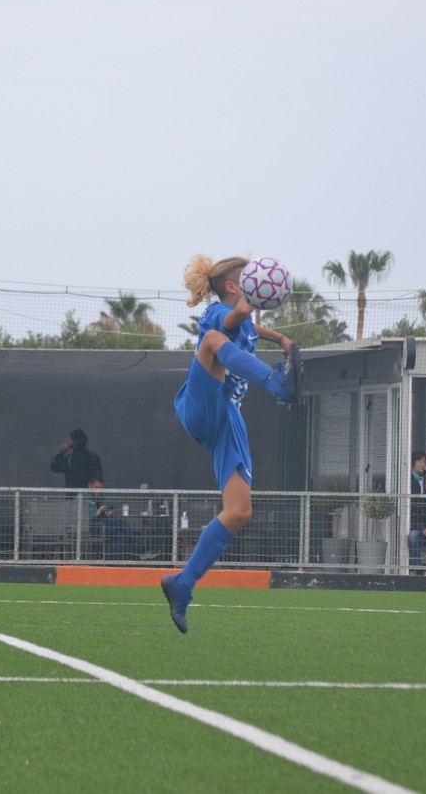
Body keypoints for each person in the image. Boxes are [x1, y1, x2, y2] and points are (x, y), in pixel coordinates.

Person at [161, 254, 301, 633]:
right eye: (249, 277)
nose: (256, 279)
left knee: (239, 511)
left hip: (226, 417)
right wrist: (250, 303)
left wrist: (280, 338)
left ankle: (182, 584)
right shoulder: (217, 313)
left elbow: (251, 326)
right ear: (233, 287)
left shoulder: (246, 322)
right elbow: (234, 318)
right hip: (202, 401)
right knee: (212, 341)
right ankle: (277, 384)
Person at [87, 478, 143, 560]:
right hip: (91, 528)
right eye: (96, 488)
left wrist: (110, 513)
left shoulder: (104, 498)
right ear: (89, 486)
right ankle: (140, 549)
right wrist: (99, 511)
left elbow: (110, 509)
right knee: (121, 523)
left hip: (105, 526)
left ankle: (110, 561)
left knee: (121, 534)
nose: (98, 490)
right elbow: (85, 517)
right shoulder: (83, 497)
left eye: (100, 488)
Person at [49, 429, 103, 494]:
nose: (68, 443)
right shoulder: (94, 457)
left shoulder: (70, 459)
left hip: (74, 496)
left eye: (70, 441)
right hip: (91, 496)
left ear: (75, 442)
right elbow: (99, 478)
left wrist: (62, 452)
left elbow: (54, 466)